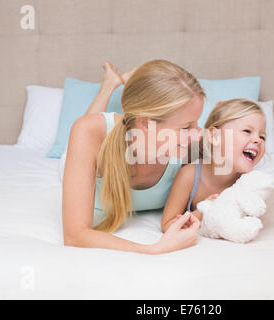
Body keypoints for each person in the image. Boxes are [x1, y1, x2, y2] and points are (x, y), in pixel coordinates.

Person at [62, 60, 206, 254]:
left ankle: (117, 83)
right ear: (146, 123)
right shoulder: (87, 132)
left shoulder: (187, 145)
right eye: (187, 127)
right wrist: (155, 249)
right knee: (87, 124)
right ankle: (109, 85)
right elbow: (74, 235)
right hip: (79, 153)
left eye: (197, 123)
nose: (197, 135)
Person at [161, 99, 267, 232]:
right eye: (247, 131)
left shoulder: (248, 183)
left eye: (262, 136)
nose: (257, 140)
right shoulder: (189, 176)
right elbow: (167, 225)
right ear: (214, 136)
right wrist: (202, 212)